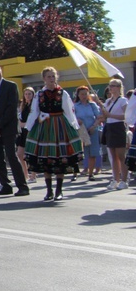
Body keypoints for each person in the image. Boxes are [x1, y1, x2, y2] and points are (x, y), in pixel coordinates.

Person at [24, 67, 82, 201]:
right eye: (48, 76)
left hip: (60, 125)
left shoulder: (63, 93)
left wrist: (74, 126)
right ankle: (49, 190)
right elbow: (34, 111)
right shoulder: (39, 94)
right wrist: (29, 127)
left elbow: (69, 111)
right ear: (44, 78)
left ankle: (59, 190)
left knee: (60, 156)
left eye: (53, 76)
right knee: (46, 158)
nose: (51, 79)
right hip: (45, 126)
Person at [0, 64, 29, 196]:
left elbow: (11, 108)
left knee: (11, 156)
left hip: (8, 127)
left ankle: (22, 186)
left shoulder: (11, 86)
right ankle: (5, 185)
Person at [96, 78, 128, 190]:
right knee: (113, 157)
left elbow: (126, 116)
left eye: (113, 85)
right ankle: (115, 179)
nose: (111, 88)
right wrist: (100, 107)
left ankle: (124, 180)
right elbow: (105, 116)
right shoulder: (108, 101)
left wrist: (110, 116)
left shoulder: (123, 101)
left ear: (119, 88)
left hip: (118, 127)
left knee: (121, 156)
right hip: (109, 127)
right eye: (110, 85)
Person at [74, 86, 101, 182]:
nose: (84, 96)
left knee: (92, 153)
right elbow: (71, 119)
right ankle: (75, 173)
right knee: (79, 153)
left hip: (92, 130)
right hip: (81, 132)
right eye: (82, 94)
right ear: (78, 95)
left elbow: (99, 117)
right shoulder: (75, 106)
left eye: (85, 94)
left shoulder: (92, 105)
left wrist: (94, 126)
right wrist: (77, 121)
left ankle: (91, 173)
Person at [16, 87, 36, 183]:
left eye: (29, 94)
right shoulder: (23, 105)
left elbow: (35, 118)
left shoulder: (34, 106)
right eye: (26, 94)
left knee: (31, 154)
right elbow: (20, 117)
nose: (28, 96)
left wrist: (25, 124)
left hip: (31, 131)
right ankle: (25, 174)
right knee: (20, 154)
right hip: (22, 132)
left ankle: (33, 176)